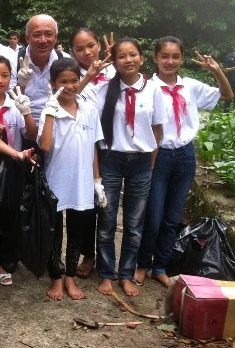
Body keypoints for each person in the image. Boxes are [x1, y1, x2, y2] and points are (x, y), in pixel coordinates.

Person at [134, 37, 233, 287]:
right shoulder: (145, 87)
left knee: (172, 217)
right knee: (154, 217)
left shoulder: (190, 86)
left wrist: (217, 71)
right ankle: (143, 263)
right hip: (159, 154)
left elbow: (227, 95)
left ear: (181, 59)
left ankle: (161, 266)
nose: (170, 61)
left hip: (185, 156)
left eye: (175, 56)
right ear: (155, 58)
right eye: (164, 56)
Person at [81, 38, 167, 297]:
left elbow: (158, 130)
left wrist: (150, 163)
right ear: (114, 62)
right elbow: (76, 94)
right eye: (122, 56)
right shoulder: (106, 89)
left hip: (141, 162)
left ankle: (126, 274)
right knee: (106, 220)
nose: (128, 60)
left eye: (133, 55)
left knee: (134, 223)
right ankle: (107, 273)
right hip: (111, 160)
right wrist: (91, 74)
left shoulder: (153, 90)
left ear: (142, 58)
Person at [38, 59, 105, 301]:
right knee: (54, 231)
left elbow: (94, 148)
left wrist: (97, 180)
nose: (69, 86)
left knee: (77, 230)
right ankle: (55, 277)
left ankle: (70, 277)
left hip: (82, 182)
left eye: (74, 80)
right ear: (53, 83)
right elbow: (44, 146)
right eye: (63, 81)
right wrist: (49, 112)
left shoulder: (89, 109)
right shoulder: (50, 111)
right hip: (56, 180)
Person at [0, 55, 36, 287]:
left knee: (6, 214)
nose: (0, 80)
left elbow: (30, 134)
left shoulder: (15, 103)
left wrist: (27, 112)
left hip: (13, 167)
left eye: (5, 75)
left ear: (12, 78)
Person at [68, 28, 115, 278]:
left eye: (91, 46)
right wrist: (89, 76)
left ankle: (106, 257)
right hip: (85, 146)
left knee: (106, 206)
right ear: (72, 52)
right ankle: (87, 255)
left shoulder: (114, 71)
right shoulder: (72, 75)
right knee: (84, 206)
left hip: (112, 147)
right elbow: (67, 97)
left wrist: (113, 60)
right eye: (80, 49)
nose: (87, 52)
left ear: (99, 45)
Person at [17, 14, 69, 124]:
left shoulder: (65, 61)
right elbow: (5, 100)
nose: (43, 40)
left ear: (56, 37)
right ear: (27, 38)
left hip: (58, 127)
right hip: (21, 127)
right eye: (37, 35)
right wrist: (21, 85)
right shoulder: (14, 60)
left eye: (48, 34)